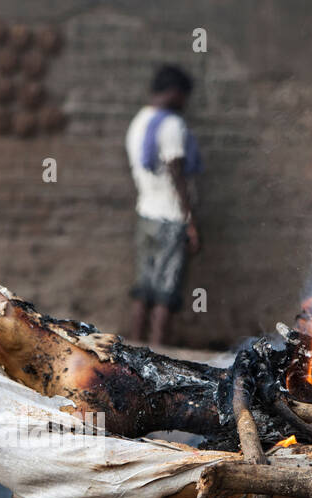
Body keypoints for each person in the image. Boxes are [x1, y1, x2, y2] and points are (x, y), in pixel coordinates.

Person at [124, 64, 202, 347]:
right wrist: (190, 220)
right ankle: (157, 353)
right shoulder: (171, 125)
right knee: (166, 292)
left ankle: (134, 349)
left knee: (144, 288)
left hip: (146, 213)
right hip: (171, 218)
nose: (185, 103)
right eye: (183, 96)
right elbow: (176, 172)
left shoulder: (139, 121)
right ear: (173, 93)